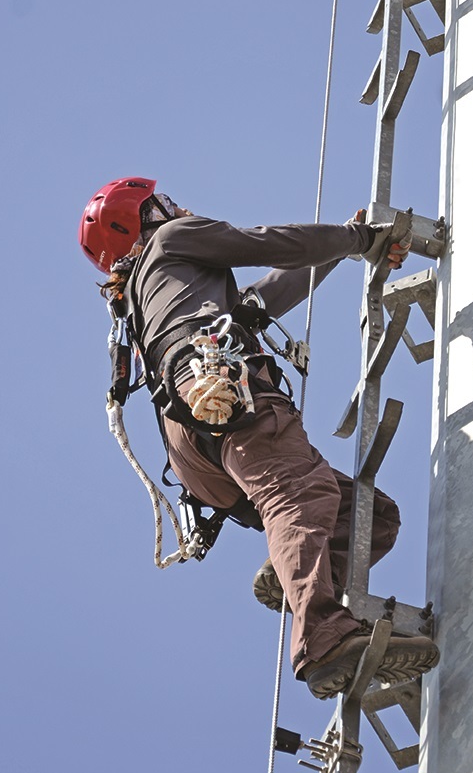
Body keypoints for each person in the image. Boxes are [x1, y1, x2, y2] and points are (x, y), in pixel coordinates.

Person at [79, 177, 439, 699]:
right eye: (164, 203)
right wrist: (357, 239)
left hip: (194, 447)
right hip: (223, 392)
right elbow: (270, 243)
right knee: (301, 494)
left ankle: (293, 571)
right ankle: (322, 636)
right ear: (143, 218)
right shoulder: (173, 239)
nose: (178, 204)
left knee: (368, 517)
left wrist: (350, 242)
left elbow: (264, 298)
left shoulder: (156, 294)